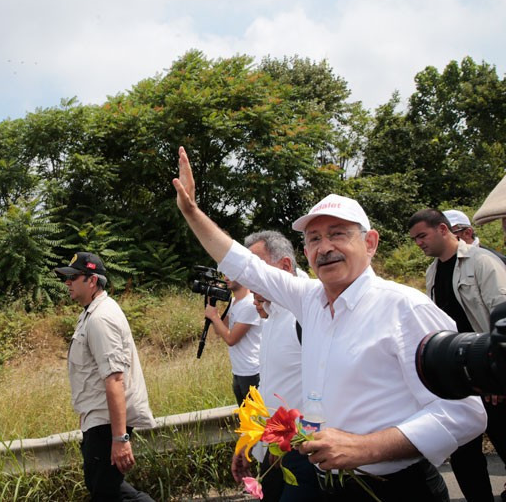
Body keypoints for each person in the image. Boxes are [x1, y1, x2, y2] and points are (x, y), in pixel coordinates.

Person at [172, 146, 486, 500]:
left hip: (398, 489)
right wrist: (192, 212)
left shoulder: (404, 307)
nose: (324, 248)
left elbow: (465, 412)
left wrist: (367, 448)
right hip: (333, 488)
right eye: (314, 239)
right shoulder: (310, 301)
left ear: (370, 243)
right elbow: (246, 266)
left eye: (338, 234)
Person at [408, 208, 506, 502]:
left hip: (491, 373)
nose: (419, 244)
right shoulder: (432, 272)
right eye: (414, 239)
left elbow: (502, 316)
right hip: (458, 377)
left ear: (443, 229)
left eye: (422, 236)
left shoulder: (482, 262)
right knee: (463, 452)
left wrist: (497, 374)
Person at [55, 251, 155, 502]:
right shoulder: (91, 313)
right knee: (103, 489)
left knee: (107, 492)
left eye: (73, 277)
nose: (67, 283)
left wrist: (120, 438)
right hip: (98, 421)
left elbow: (114, 379)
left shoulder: (101, 318)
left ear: (91, 280)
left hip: (106, 423)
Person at [231, 230, 320, 502]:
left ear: (284, 266)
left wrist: (286, 443)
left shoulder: (310, 312)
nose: (249, 280)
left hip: (306, 451)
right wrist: (249, 440)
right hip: (277, 446)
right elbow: (270, 386)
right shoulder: (270, 312)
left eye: (256, 270)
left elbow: (323, 391)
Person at [203, 279, 261, 407]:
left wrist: (214, 316)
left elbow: (231, 339)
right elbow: (220, 331)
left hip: (251, 371)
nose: (225, 278)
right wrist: (211, 303)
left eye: (230, 273)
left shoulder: (250, 304)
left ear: (243, 275)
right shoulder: (234, 302)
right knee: (244, 419)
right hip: (238, 371)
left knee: (255, 421)